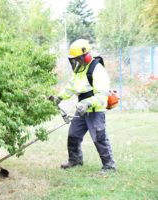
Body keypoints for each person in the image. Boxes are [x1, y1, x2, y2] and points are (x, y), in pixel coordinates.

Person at [50, 39, 116, 171]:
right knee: (73, 135)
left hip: (95, 110)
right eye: (74, 60)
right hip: (81, 110)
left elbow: (102, 95)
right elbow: (71, 87)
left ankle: (109, 166)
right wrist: (59, 97)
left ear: (86, 55)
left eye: (78, 59)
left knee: (99, 138)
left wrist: (87, 104)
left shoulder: (97, 69)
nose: (76, 62)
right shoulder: (79, 69)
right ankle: (75, 160)